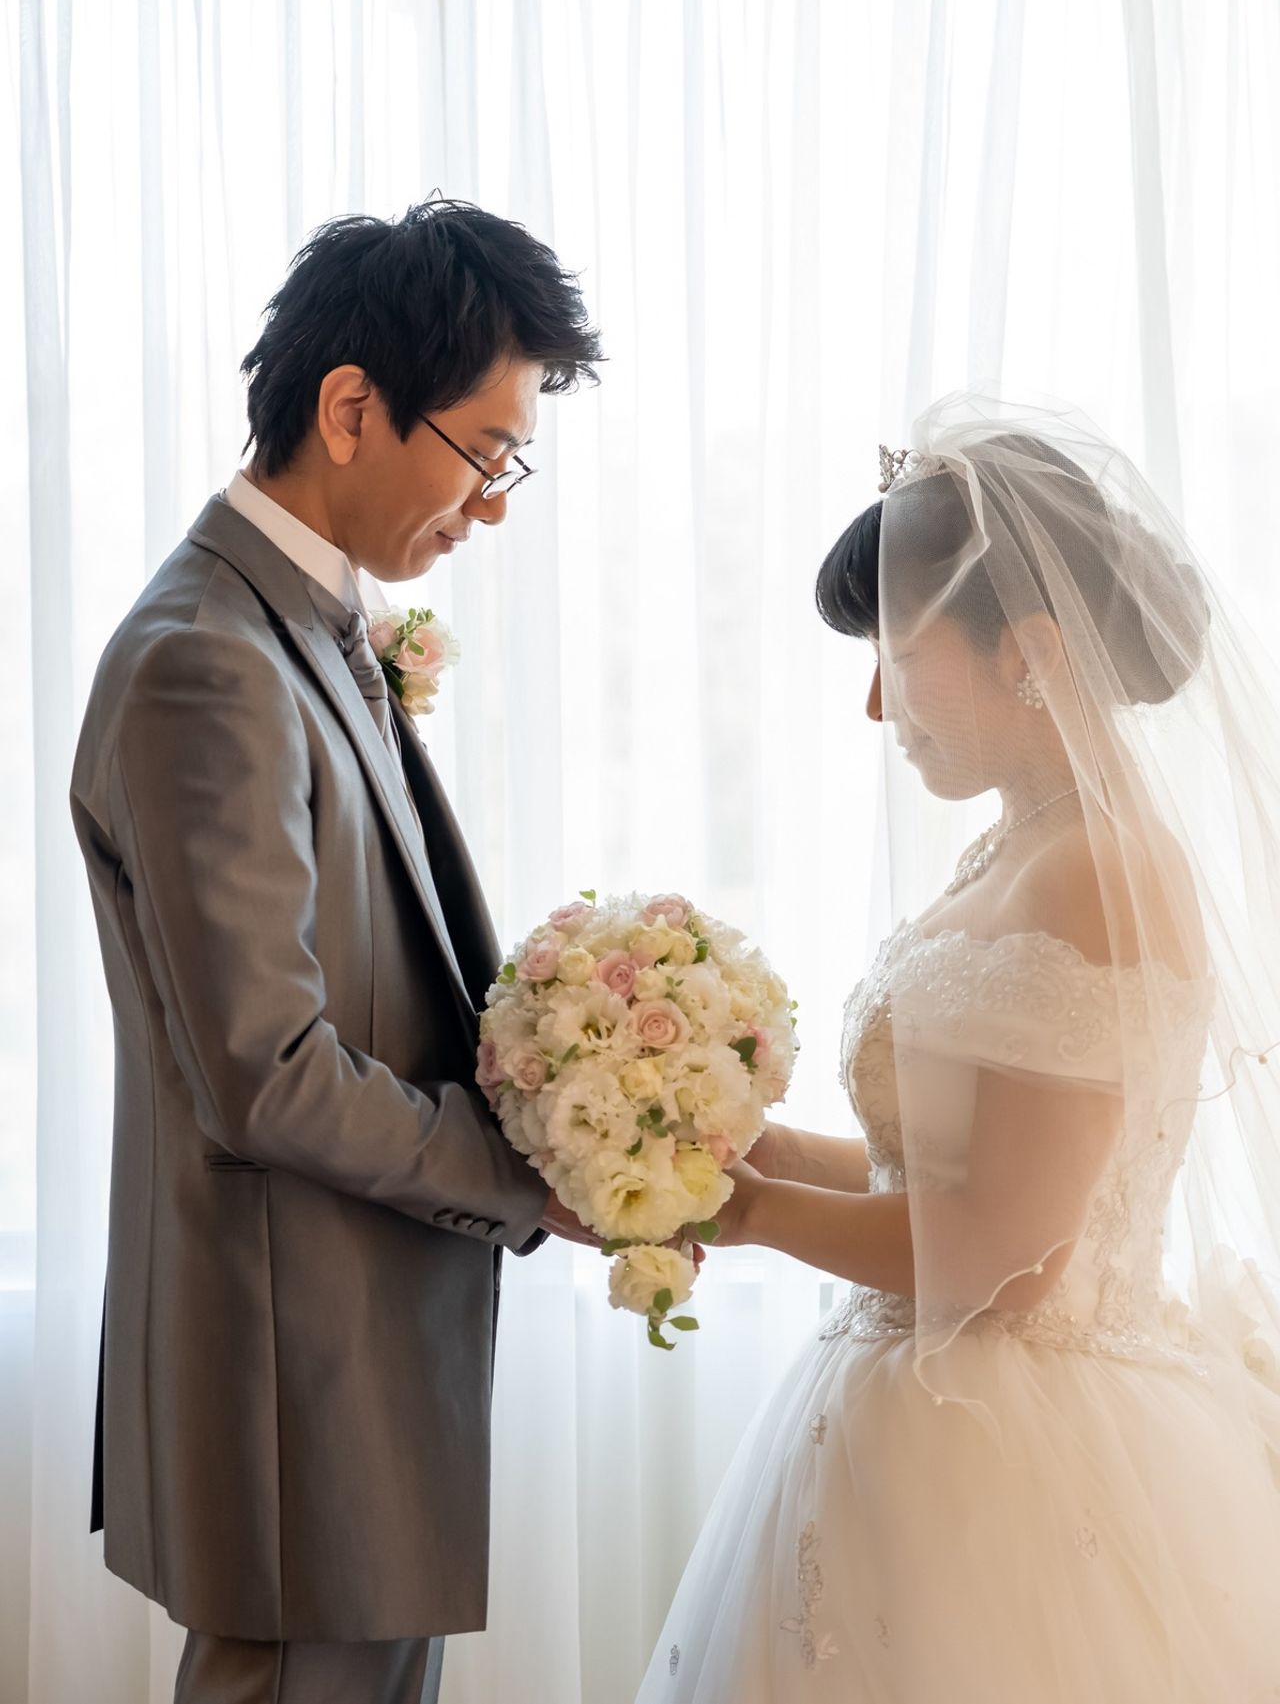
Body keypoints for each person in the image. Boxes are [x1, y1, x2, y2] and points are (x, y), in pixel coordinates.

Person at [638, 392, 1280, 1701]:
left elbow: (1011, 1256)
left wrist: (749, 1212)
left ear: (1028, 651)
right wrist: (767, 1152)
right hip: (919, 1408)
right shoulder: (1020, 843)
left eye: (899, 654)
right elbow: (938, 1170)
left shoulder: (1100, 868)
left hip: (1019, 1444)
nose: (878, 704)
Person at [70, 199, 602, 1704]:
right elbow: (269, 1070)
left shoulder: (300, 622)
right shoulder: (207, 660)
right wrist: (532, 1174)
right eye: (485, 452)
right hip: (295, 1372)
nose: (492, 505)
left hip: (352, 1358)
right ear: (354, 407)